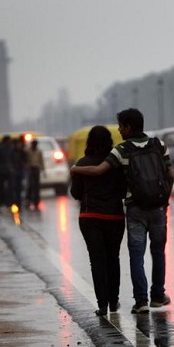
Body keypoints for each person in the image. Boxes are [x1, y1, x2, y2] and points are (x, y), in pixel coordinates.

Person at [71, 108, 174, 314]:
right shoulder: (159, 145)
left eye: (121, 126)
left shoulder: (121, 150)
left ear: (128, 127)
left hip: (128, 210)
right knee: (155, 253)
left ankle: (137, 301)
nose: (119, 130)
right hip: (147, 210)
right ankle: (156, 296)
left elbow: (95, 175)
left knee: (133, 256)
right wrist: (165, 201)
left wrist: (75, 169)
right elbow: (170, 175)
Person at [70, 126, 127, 316]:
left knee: (97, 260)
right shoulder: (115, 164)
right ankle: (113, 301)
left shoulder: (81, 164)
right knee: (113, 259)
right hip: (114, 217)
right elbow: (122, 191)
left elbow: (75, 193)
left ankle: (102, 304)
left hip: (90, 217)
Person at [25, 139, 45, 210]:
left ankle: (36, 201)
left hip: (36, 169)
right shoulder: (27, 151)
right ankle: (28, 200)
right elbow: (25, 160)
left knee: (36, 186)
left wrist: (43, 170)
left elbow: (41, 160)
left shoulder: (39, 151)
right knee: (30, 185)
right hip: (30, 169)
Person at [13, 137, 27, 209]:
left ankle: (20, 202)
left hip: (20, 171)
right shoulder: (12, 152)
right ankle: (15, 202)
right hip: (14, 172)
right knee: (14, 188)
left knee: (20, 187)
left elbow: (25, 161)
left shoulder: (22, 152)